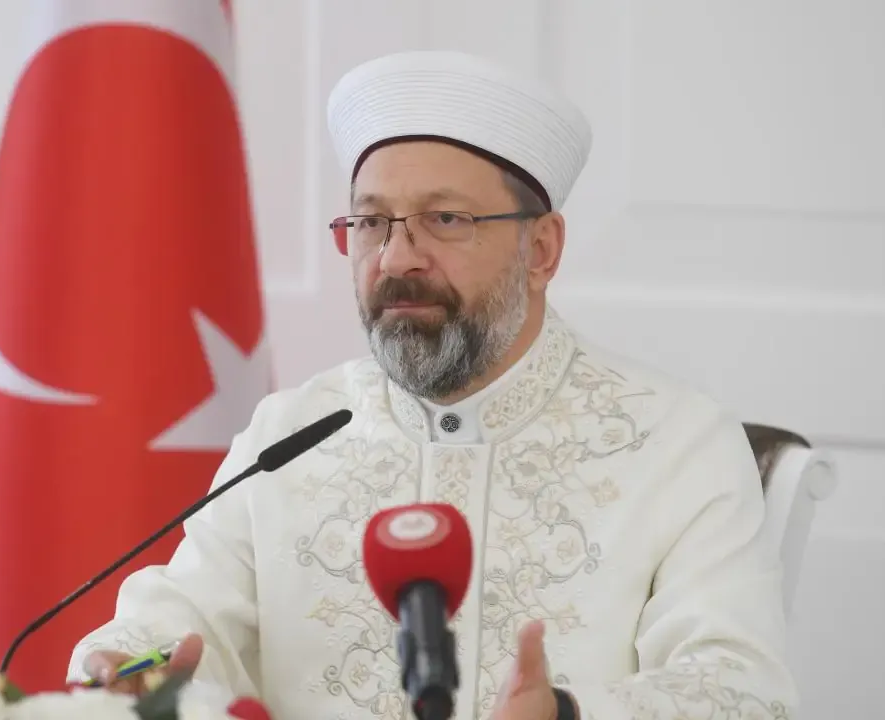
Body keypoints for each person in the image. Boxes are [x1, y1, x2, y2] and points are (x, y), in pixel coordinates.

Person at [67, 50, 798, 720]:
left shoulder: (676, 443)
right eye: (370, 222)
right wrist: (130, 667)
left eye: (445, 219)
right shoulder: (290, 435)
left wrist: (566, 714)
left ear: (541, 249)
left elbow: (741, 689)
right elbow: (183, 616)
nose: (395, 258)